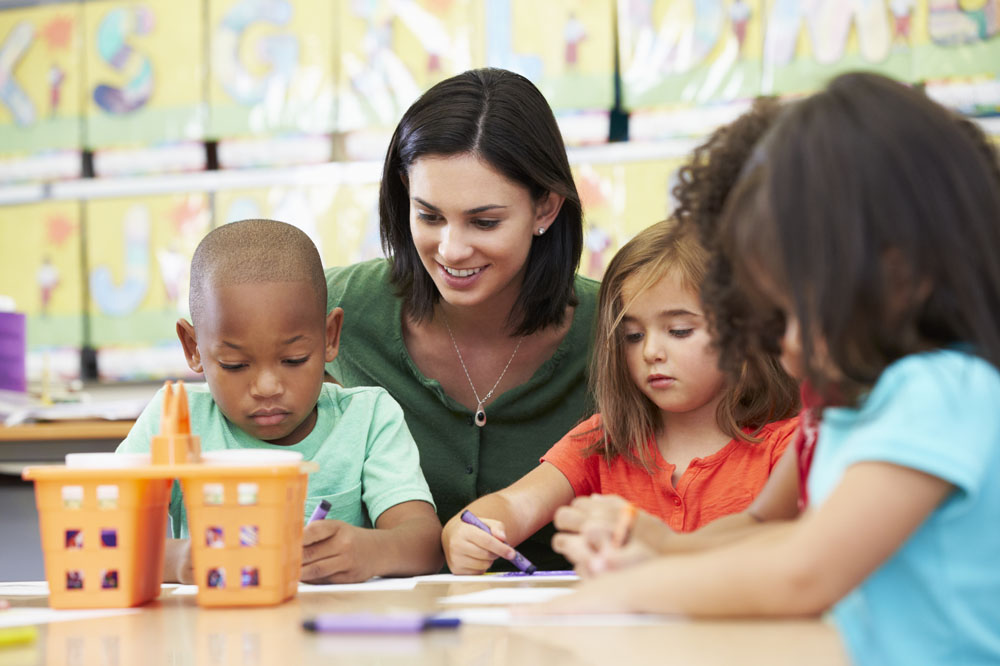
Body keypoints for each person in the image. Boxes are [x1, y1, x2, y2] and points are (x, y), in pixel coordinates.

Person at [540, 73, 1000, 665]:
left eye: (788, 313)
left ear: (897, 275)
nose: (779, 348)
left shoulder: (941, 390)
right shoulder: (854, 403)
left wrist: (629, 592)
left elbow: (805, 570)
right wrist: (662, 548)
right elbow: (775, 530)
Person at [324, 68, 599, 570]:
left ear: (546, 208)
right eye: (429, 216)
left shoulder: (621, 327)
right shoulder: (335, 308)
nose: (450, 249)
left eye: (484, 221)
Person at [441, 217, 800, 574]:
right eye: (632, 336)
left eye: (678, 330)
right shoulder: (604, 440)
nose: (651, 353)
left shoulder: (789, 447)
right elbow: (514, 506)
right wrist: (467, 533)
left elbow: (794, 557)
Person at [553, 97, 809, 571]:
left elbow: (805, 570)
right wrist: (657, 547)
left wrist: (649, 566)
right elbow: (757, 524)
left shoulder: (925, 398)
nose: (761, 330)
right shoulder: (826, 414)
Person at [118, 219, 442, 584]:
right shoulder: (173, 421)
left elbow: (426, 543)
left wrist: (371, 552)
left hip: (336, 634)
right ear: (193, 348)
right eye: (235, 365)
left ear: (330, 337)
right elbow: (103, 535)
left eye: (294, 360)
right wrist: (176, 560)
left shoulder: (368, 418)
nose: (268, 387)